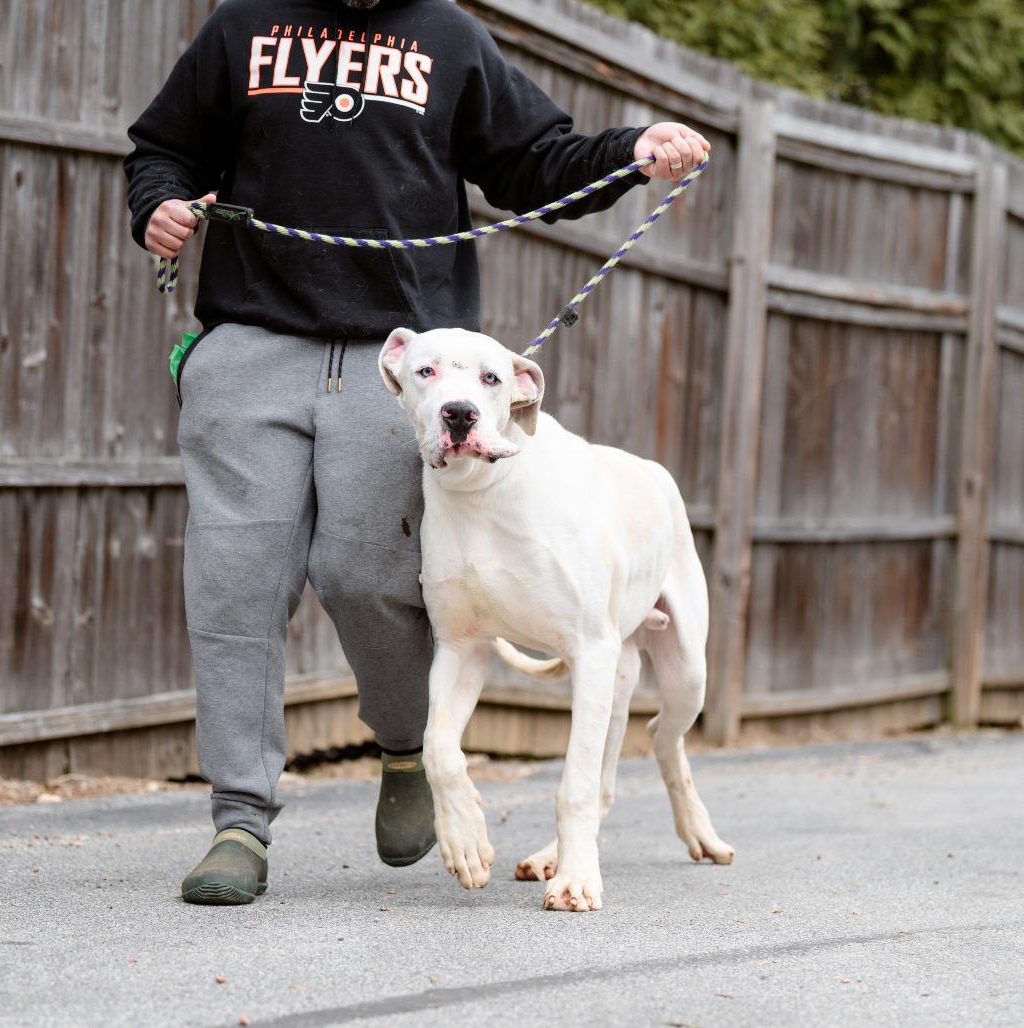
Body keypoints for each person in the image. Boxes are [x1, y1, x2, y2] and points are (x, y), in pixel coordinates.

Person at [124, 0, 709, 905]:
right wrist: (157, 204)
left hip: (399, 360)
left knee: (369, 573)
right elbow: (162, 147)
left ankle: (407, 747)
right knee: (234, 581)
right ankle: (239, 819)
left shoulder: (449, 35)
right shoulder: (244, 23)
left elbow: (530, 160)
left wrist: (631, 151)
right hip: (251, 340)